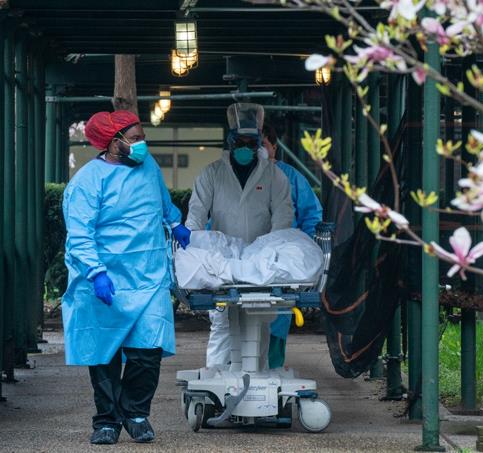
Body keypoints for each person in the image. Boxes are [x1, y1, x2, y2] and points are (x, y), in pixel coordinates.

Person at [61, 110, 191, 445]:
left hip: (148, 277)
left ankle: (135, 412)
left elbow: (162, 202)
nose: (142, 144)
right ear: (113, 141)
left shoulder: (148, 167)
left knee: (148, 350)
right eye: (135, 139)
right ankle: (106, 421)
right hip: (107, 278)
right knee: (104, 353)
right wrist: (95, 272)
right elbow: (79, 234)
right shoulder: (87, 182)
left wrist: (175, 222)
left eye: (142, 137)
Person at [185, 103, 294, 369]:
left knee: (259, 324)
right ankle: (215, 381)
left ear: (258, 143)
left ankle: (258, 381)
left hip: (261, 263)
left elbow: (282, 220)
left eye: (251, 143)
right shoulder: (212, 174)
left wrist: (270, 255)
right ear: (230, 142)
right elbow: (196, 216)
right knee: (222, 325)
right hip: (222, 262)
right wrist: (192, 250)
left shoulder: (274, 176)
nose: (245, 148)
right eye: (239, 142)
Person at [261, 123, 323, 369]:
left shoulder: (291, 177)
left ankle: (272, 366)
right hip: (245, 258)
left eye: (262, 144)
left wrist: (304, 250)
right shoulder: (235, 178)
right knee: (239, 317)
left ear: (274, 147)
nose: (257, 151)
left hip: (283, 258)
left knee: (278, 313)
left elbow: (312, 216)